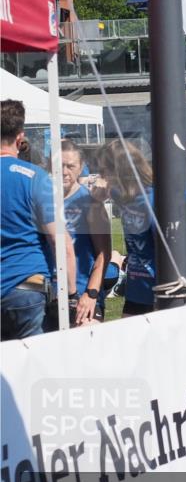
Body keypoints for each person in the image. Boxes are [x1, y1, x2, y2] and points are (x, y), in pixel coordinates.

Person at [1, 99, 77, 339]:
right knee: (34, 369)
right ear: (20, 136)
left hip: (20, 287)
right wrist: (71, 294)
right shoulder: (35, 178)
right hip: (26, 287)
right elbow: (61, 244)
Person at [92, 140, 155, 316]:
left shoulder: (152, 199)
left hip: (157, 289)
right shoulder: (122, 194)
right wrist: (96, 200)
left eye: (105, 171)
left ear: (121, 169)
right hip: (136, 288)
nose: (102, 177)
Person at [55, 140, 111, 326]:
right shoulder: (43, 200)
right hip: (49, 294)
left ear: (81, 168)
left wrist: (91, 294)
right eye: (60, 165)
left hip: (81, 295)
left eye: (70, 166)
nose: (64, 171)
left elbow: (104, 254)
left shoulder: (91, 203)